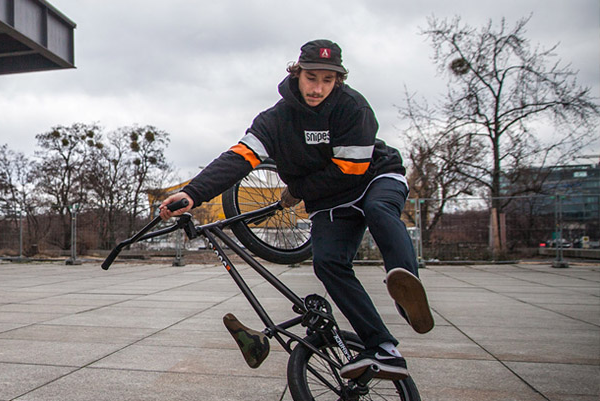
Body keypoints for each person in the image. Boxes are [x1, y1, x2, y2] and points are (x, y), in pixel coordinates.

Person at [160, 39, 433, 380]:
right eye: (311, 78)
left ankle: (408, 292)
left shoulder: (353, 108)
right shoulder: (275, 121)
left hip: (375, 178)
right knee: (328, 263)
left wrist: (297, 190)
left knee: (378, 210)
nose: (318, 88)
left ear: (339, 81)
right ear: (296, 73)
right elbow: (238, 158)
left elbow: (350, 170)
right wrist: (192, 193)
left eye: (327, 81)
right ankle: (383, 348)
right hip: (332, 202)